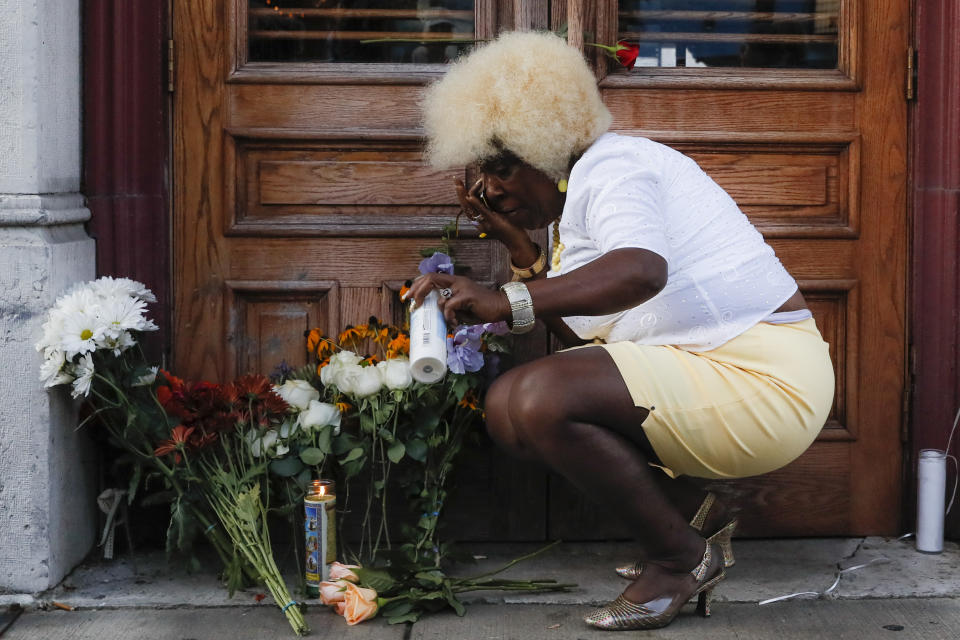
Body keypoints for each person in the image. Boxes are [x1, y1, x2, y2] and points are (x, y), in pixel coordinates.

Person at [405, 31, 834, 631]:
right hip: (712, 368)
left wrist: (504, 299)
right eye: (483, 176)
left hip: (763, 378)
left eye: (500, 169)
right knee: (513, 409)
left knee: (532, 397)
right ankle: (694, 515)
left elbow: (640, 270)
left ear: (544, 147)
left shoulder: (616, 166)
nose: (492, 189)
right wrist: (521, 250)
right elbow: (590, 351)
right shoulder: (580, 205)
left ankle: (680, 561)